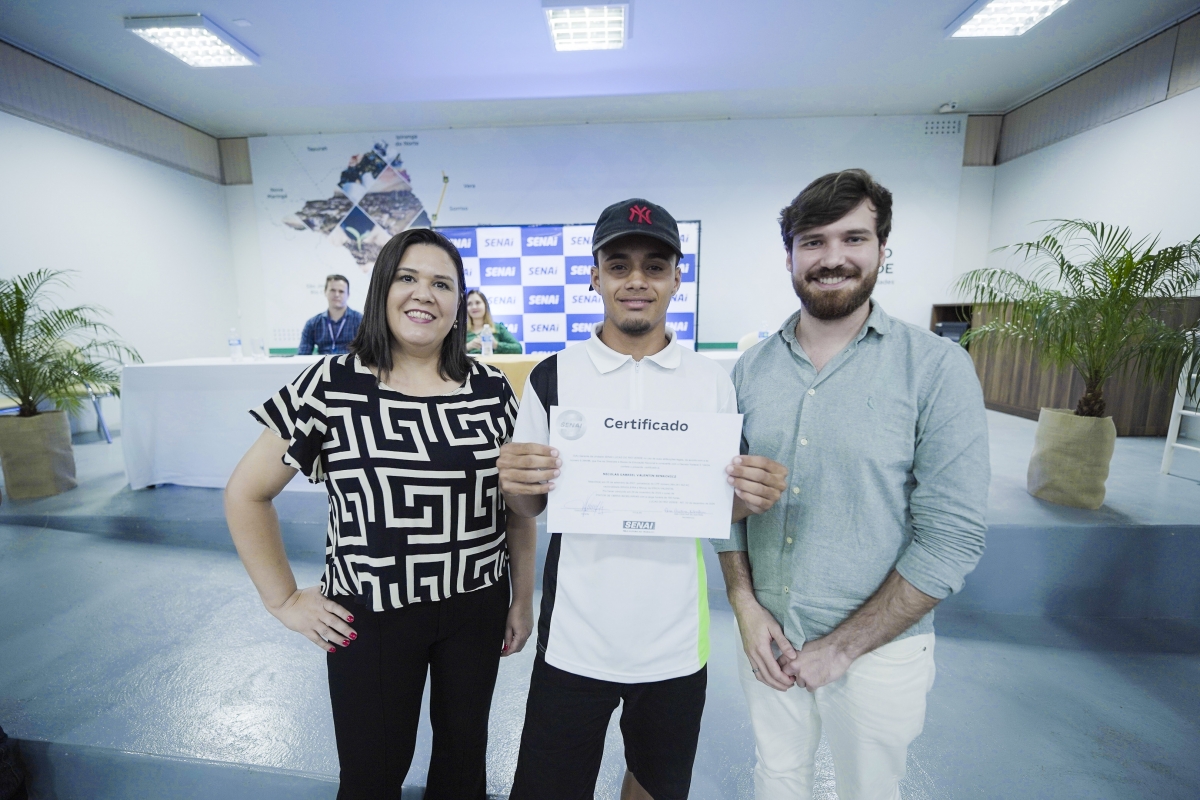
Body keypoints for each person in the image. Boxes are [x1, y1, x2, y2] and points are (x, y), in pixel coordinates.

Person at [225, 228, 536, 800]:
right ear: (381, 290)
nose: (424, 294)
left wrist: (522, 596)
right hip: (370, 614)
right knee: (372, 774)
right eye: (407, 278)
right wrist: (283, 600)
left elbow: (516, 508)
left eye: (442, 283)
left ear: (459, 302)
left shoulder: (492, 388)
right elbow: (246, 492)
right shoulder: (332, 383)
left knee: (464, 764)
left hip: (477, 606)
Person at [498, 198, 788, 800]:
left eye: (655, 266)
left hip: (673, 646)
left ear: (677, 278)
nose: (636, 280)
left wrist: (751, 496)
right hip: (573, 641)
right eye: (619, 265)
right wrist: (517, 486)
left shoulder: (712, 383)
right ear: (594, 277)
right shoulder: (552, 376)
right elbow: (529, 509)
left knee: (656, 786)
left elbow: (720, 506)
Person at [714, 169, 989, 800]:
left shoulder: (936, 368)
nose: (832, 258)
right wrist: (746, 607)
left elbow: (952, 537)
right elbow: (722, 505)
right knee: (777, 779)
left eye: (853, 239)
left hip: (878, 652)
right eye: (813, 241)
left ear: (881, 250)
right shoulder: (748, 371)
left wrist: (842, 648)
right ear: (789, 256)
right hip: (769, 637)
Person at [298, 274, 363, 355]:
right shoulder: (313, 323)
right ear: (325, 292)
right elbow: (303, 355)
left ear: (348, 295)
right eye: (332, 290)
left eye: (341, 291)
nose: (336, 295)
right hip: (324, 362)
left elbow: (369, 352)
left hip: (351, 362)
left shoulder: (361, 321)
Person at [465, 289, 522, 354]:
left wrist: (496, 345)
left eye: (478, 303)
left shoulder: (498, 328)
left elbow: (518, 349)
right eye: (469, 304)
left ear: (485, 305)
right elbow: (454, 351)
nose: (474, 307)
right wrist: (467, 347)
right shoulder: (462, 331)